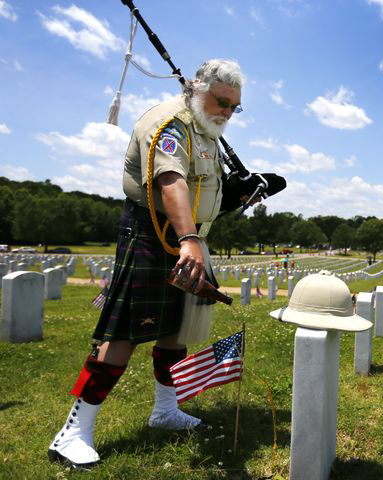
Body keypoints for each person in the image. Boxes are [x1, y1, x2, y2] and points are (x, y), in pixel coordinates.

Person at [48, 59, 246, 470]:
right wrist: (189, 239)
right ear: (196, 87)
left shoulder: (204, 129)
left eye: (234, 107)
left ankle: (165, 410)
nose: (226, 113)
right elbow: (170, 182)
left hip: (187, 238)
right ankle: (73, 432)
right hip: (156, 233)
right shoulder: (170, 123)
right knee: (120, 335)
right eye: (221, 102)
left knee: (174, 330)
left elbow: (201, 191)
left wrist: (240, 196)